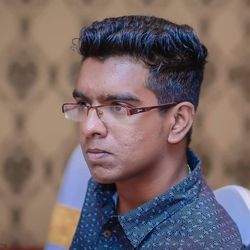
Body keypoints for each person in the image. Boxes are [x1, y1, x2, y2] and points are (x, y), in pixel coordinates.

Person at [62, 15, 243, 249]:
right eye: (84, 104)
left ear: (178, 122)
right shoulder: (109, 185)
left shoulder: (198, 242)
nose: (89, 127)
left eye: (118, 107)